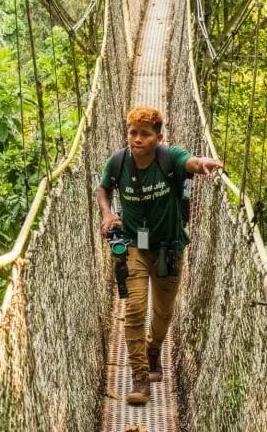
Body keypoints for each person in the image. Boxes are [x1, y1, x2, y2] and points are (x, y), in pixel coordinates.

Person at [96, 105, 223, 405]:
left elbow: (189, 162)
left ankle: (154, 350)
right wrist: (107, 214)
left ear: (158, 136)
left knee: (163, 314)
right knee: (135, 310)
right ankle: (140, 378)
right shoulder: (118, 163)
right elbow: (103, 189)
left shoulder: (170, 158)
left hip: (169, 247)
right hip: (134, 244)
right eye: (132, 132)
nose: (136, 139)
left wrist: (201, 163)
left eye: (144, 134)